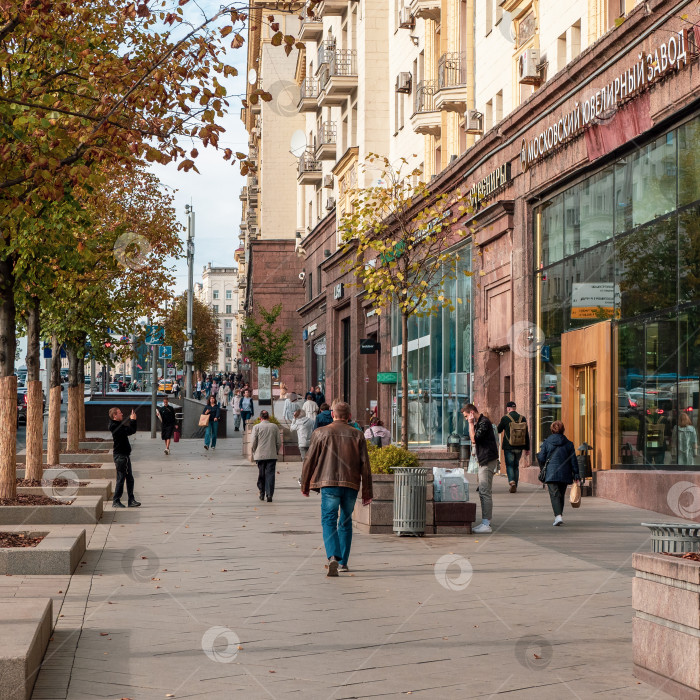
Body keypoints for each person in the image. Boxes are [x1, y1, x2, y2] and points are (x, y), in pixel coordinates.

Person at [301, 401, 373, 577]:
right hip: (351, 484)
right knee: (346, 522)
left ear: (332, 414)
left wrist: (305, 485)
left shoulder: (320, 433)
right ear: (349, 416)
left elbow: (309, 460)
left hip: (329, 483)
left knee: (328, 520)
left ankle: (333, 555)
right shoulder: (358, 435)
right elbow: (365, 465)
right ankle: (343, 563)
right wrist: (367, 492)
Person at [462, 403, 499, 534]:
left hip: (487, 460)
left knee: (485, 491)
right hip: (484, 459)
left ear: (471, 412)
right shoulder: (481, 422)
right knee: (483, 492)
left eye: (467, 416)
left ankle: (486, 523)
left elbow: (474, 439)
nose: (466, 419)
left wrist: (471, 424)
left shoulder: (484, 423)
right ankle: (485, 522)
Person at [537, 420, 580, 526]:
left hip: (551, 472)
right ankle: (559, 515)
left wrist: (542, 466)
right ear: (563, 430)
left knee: (554, 494)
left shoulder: (546, 442)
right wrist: (576, 473)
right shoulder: (569, 444)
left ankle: (558, 516)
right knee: (560, 494)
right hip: (565, 473)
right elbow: (573, 459)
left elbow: (541, 457)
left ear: (552, 430)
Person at [108, 406, 141, 508]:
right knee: (123, 478)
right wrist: (132, 420)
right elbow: (130, 430)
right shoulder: (115, 426)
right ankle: (117, 500)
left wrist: (133, 420)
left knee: (127, 478)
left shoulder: (117, 424)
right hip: (121, 456)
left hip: (123, 456)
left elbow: (129, 430)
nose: (122, 414)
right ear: (114, 416)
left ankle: (129, 500)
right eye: (119, 413)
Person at [496, 401, 531, 493]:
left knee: (509, 465)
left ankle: (512, 482)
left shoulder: (505, 418)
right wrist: (527, 448)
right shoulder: (522, 418)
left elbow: (498, 430)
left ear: (508, 408)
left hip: (509, 446)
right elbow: (526, 434)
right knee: (516, 465)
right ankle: (515, 483)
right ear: (515, 408)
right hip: (519, 446)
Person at [251, 410, 281, 502]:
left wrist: (254, 452)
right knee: (270, 474)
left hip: (260, 455)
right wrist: (276, 450)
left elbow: (253, 442)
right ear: (268, 417)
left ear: (260, 418)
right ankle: (269, 494)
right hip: (271, 454)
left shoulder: (256, 427)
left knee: (261, 474)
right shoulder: (274, 427)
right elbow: (278, 442)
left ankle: (261, 492)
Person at [291, 408, 315, 485]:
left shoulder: (298, 422)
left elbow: (291, 428)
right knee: (310, 461)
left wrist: (293, 418)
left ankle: (303, 479)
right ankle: (309, 478)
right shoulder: (311, 421)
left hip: (302, 444)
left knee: (305, 462)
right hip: (311, 443)